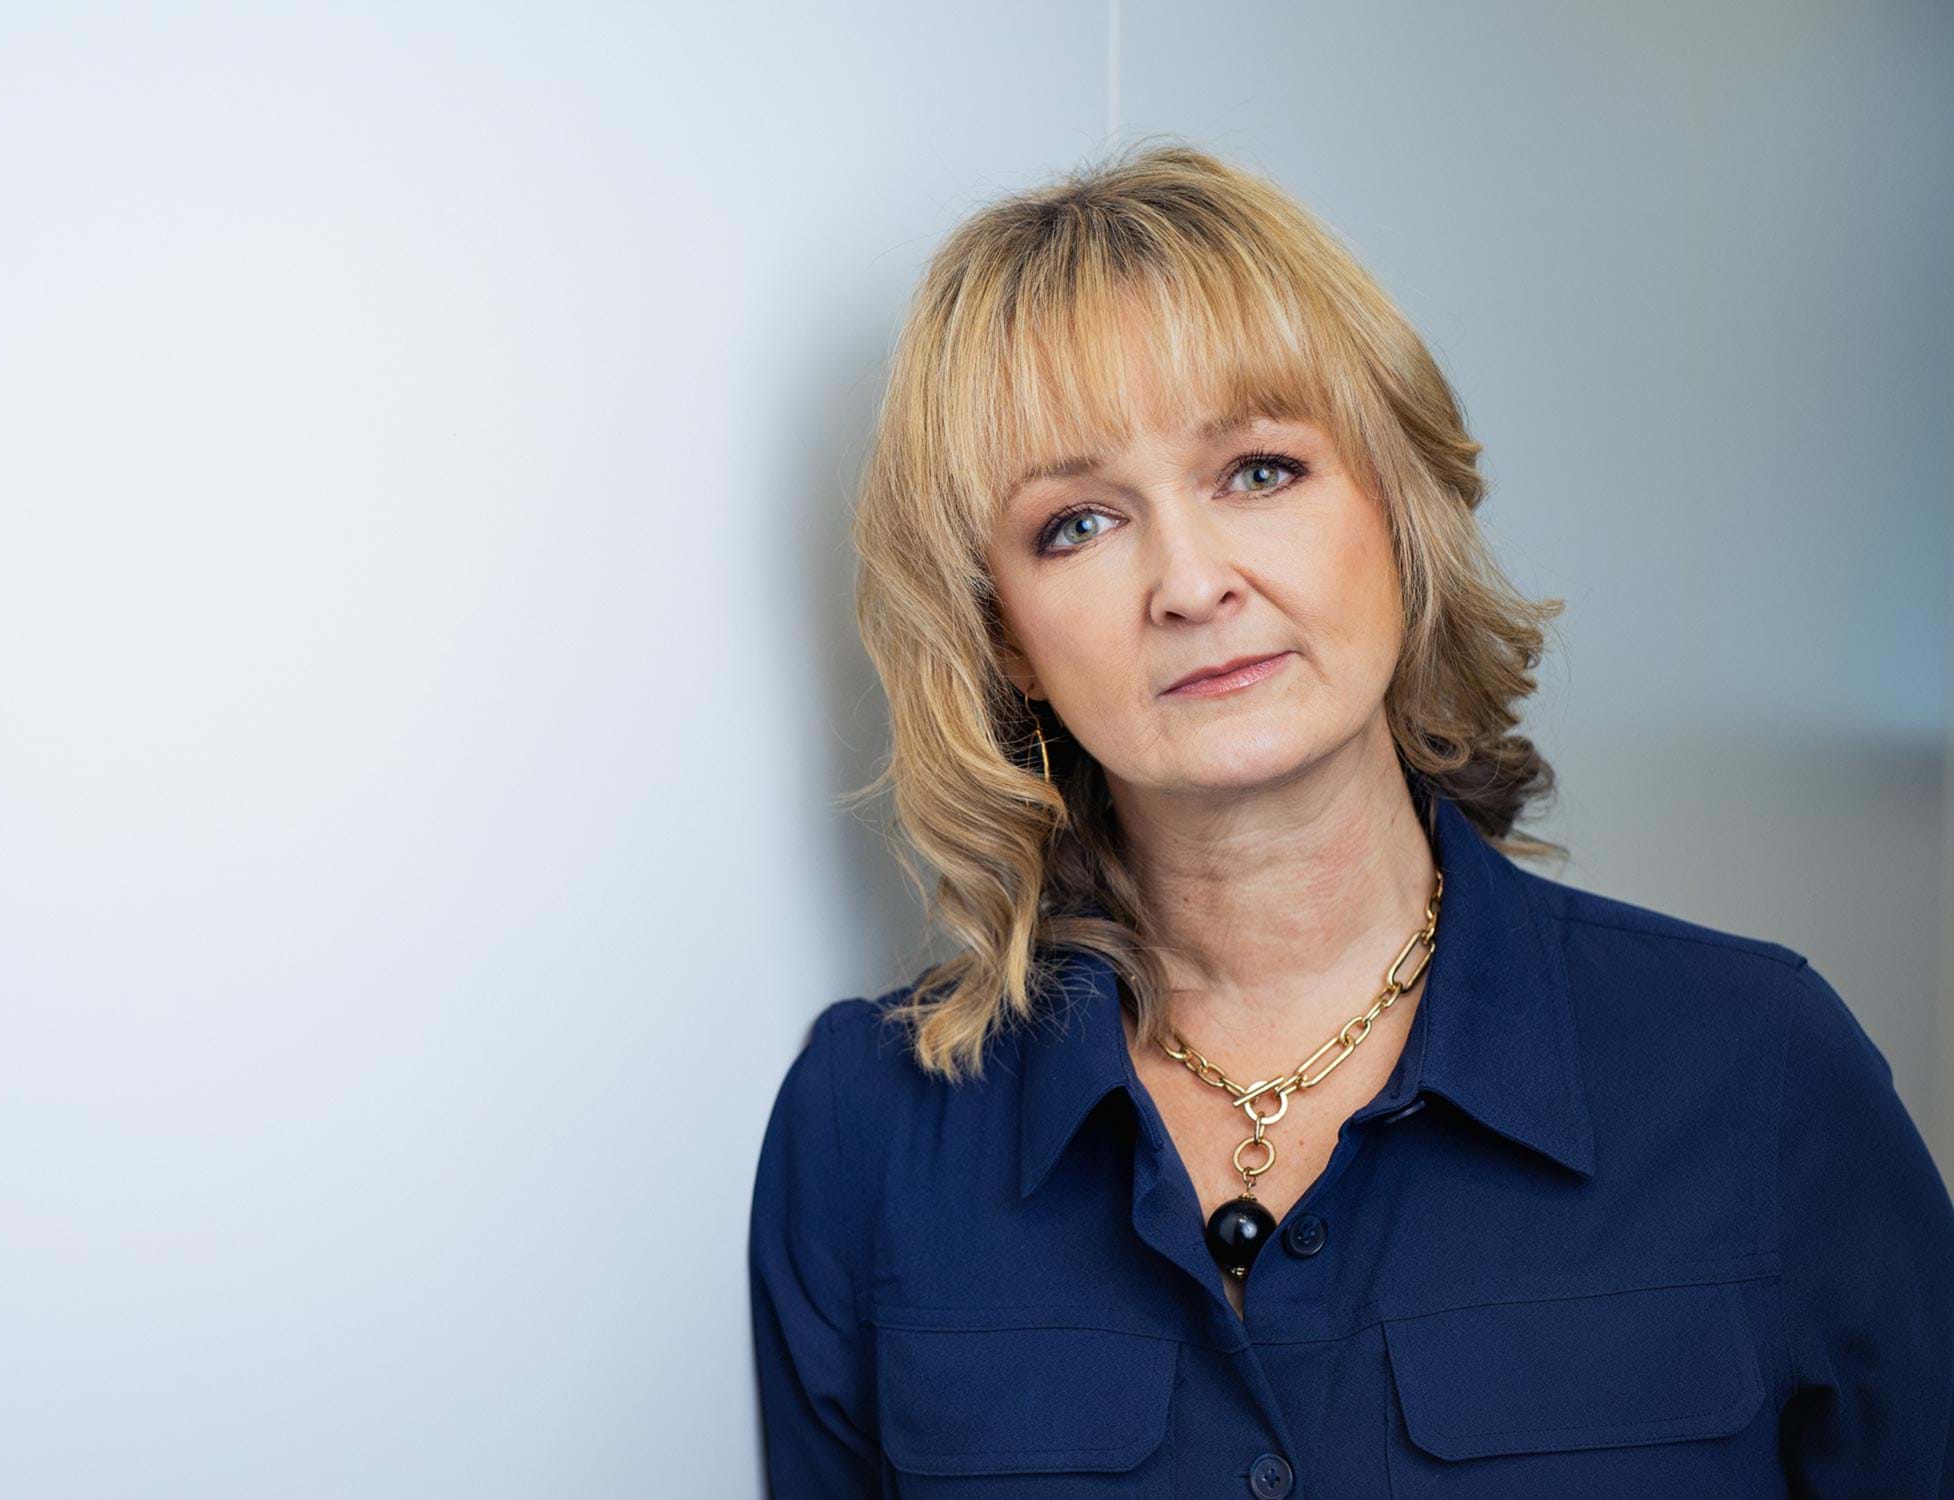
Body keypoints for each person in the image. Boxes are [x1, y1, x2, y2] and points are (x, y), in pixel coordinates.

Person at [746, 140, 1954, 1497]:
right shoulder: (866, 1130)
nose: (1191, 582)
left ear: (1395, 507)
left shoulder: (1754, 1066)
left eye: (1257, 471)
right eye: (1078, 524)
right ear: (1003, 637)